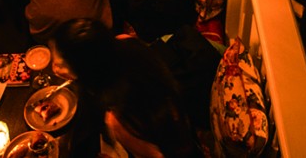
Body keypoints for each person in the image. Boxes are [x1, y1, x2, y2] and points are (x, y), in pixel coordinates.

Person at [50, 18, 201, 158]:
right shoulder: (124, 41)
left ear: (85, 69)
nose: (54, 68)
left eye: (60, 65)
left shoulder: (118, 120)